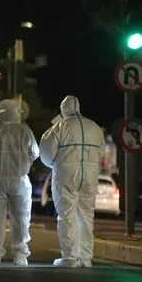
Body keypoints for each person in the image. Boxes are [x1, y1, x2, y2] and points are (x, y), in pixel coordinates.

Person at [39, 95, 104, 268]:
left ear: (63, 109)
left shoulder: (59, 126)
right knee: (86, 215)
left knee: (67, 214)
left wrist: (55, 164)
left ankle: (69, 258)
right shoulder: (94, 127)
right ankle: (85, 258)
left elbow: (45, 152)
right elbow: (101, 151)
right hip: (89, 175)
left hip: (66, 174)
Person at [0, 99, 39, 266]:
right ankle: (20, 255)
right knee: (21, 218)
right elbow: (35, 153)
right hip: (20, 180)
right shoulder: (24, 131)